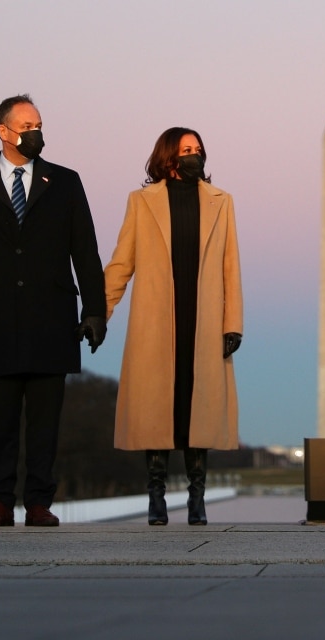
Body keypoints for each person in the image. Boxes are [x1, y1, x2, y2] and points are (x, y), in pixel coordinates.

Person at [0, 94, 106, 528]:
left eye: (39, 124)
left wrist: (95, 310)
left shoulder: (66, 182)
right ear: (4, 131)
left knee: (45, 420)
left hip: (51, 317)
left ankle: (38, 502)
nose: (36, 132)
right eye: (27, 125)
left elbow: (85, 250)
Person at [104, 127, 243, 526]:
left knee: (196, 414)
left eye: (198, 150)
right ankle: (156, 497)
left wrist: (232, 322)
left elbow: (230, 267)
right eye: (186, 150)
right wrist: (100, 311)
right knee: (158, 416)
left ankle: (196, 500)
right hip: (157, 320)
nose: (194, 156)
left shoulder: (222, 202)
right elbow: (121, 263)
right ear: (168, 157)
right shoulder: (141, 202)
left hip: (203, 322)